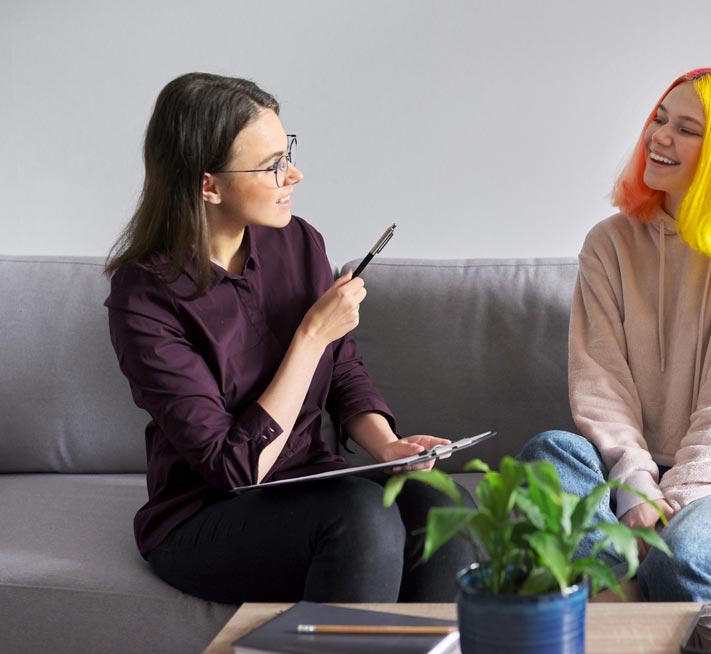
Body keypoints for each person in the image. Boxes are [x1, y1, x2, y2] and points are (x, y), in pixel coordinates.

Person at [104, 72, 473, 604]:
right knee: (362, 520)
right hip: (207, 510)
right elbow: (233, 468)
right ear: (208, 185)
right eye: (272, 165)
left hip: (309, 483)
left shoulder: (298, 242)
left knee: (442, 503)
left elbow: (342, 368)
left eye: (288, 153)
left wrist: (388, 447)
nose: (294, 175)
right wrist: (308, 337)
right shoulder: (143, 298)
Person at [520, 68, 711, 602]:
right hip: (635, 467)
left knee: (684, 556)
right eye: (658, 119)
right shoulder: (608, 244)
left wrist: (665, 507)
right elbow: (600, 383)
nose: (658, 136)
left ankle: (615, 590)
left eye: (685, 128)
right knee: (551, 452)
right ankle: (621, 591)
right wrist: (635, 484)